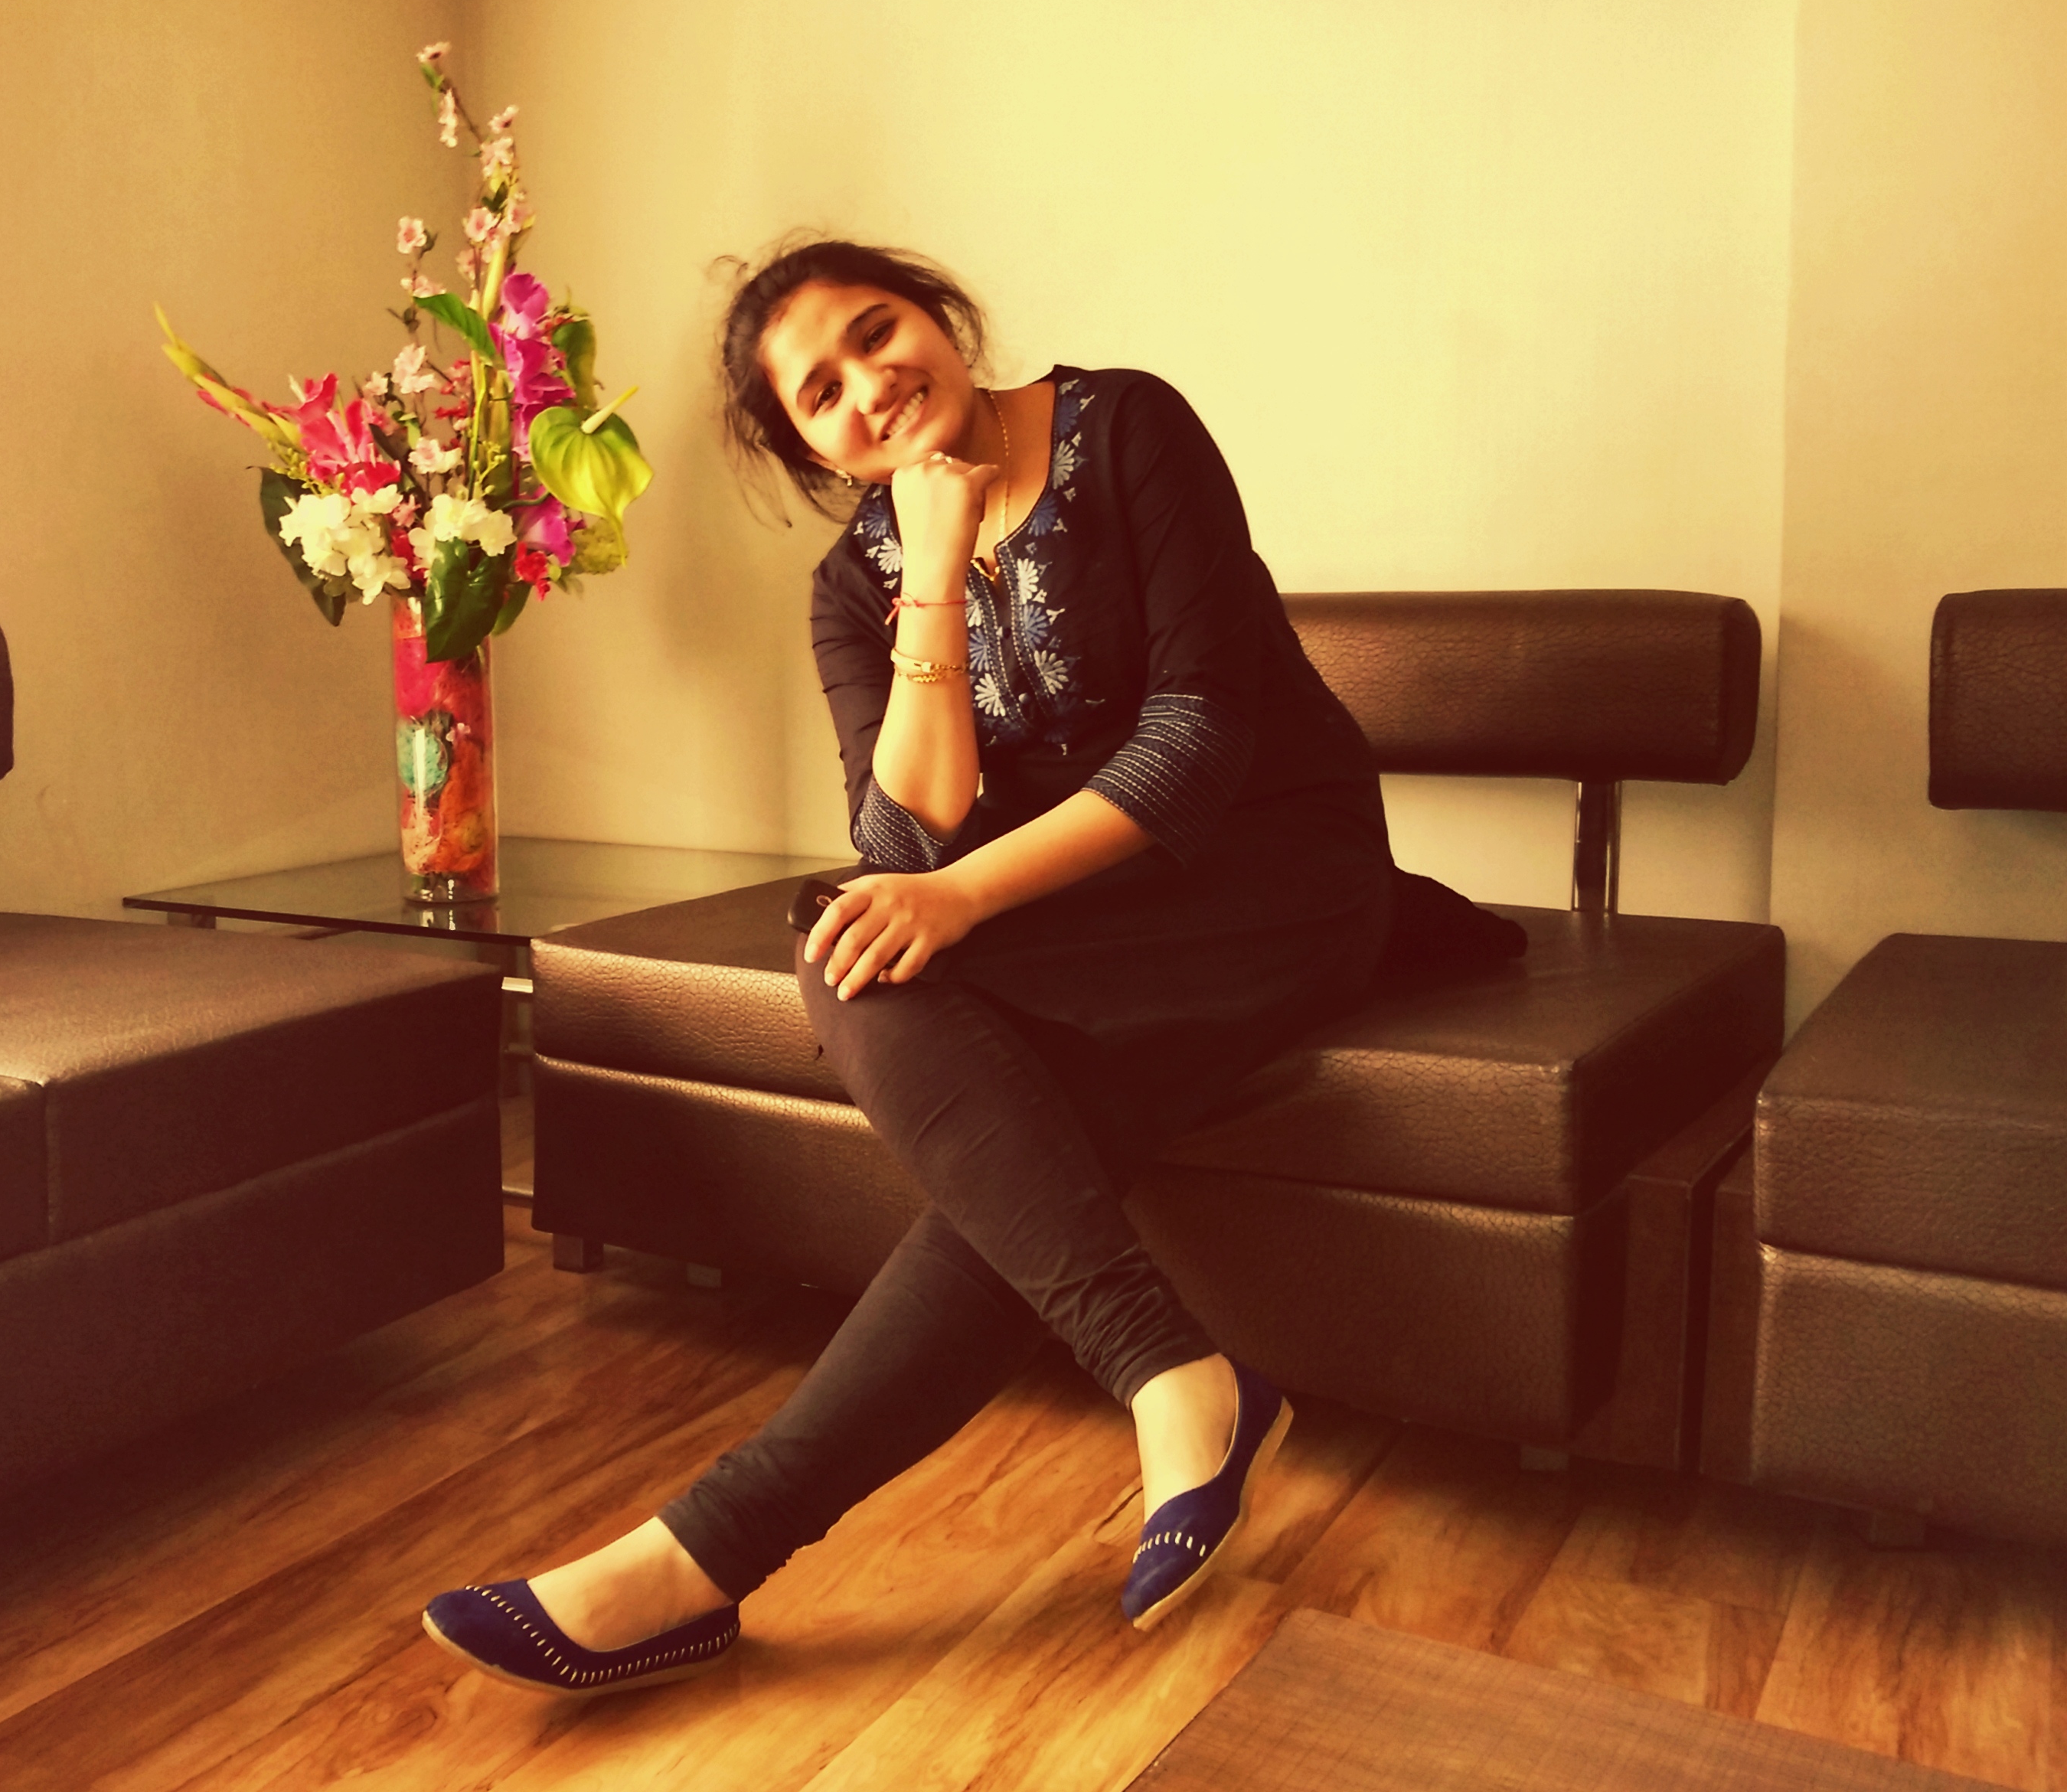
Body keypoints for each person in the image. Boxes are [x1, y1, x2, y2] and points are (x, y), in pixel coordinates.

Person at [422, 240, 1394, 1699]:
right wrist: (931, 575)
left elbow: (1197, 745)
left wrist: (959, 902)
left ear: (940, 316)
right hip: (1091, 925)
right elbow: (899, 840)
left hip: (1277, 880)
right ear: (811, 449)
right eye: (822, 393)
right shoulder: (853, 583)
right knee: (853, 945)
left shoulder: (1128, 427)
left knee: (899, 966)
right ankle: (721, 1554)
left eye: (878, 334)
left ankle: (697, 1563)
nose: (870, 386)